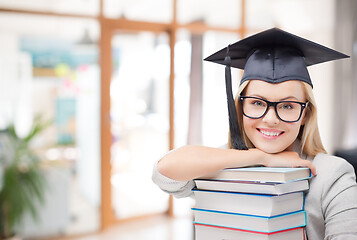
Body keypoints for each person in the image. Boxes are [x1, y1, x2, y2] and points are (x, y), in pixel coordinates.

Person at [152, 28, 357, 239]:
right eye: (257, 103)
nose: (271, 118)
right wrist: (261, 158)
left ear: (305, 113)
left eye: (287, 106)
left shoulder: (332, 175)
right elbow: (164, 171)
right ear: (240, 108)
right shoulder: (221, 163)